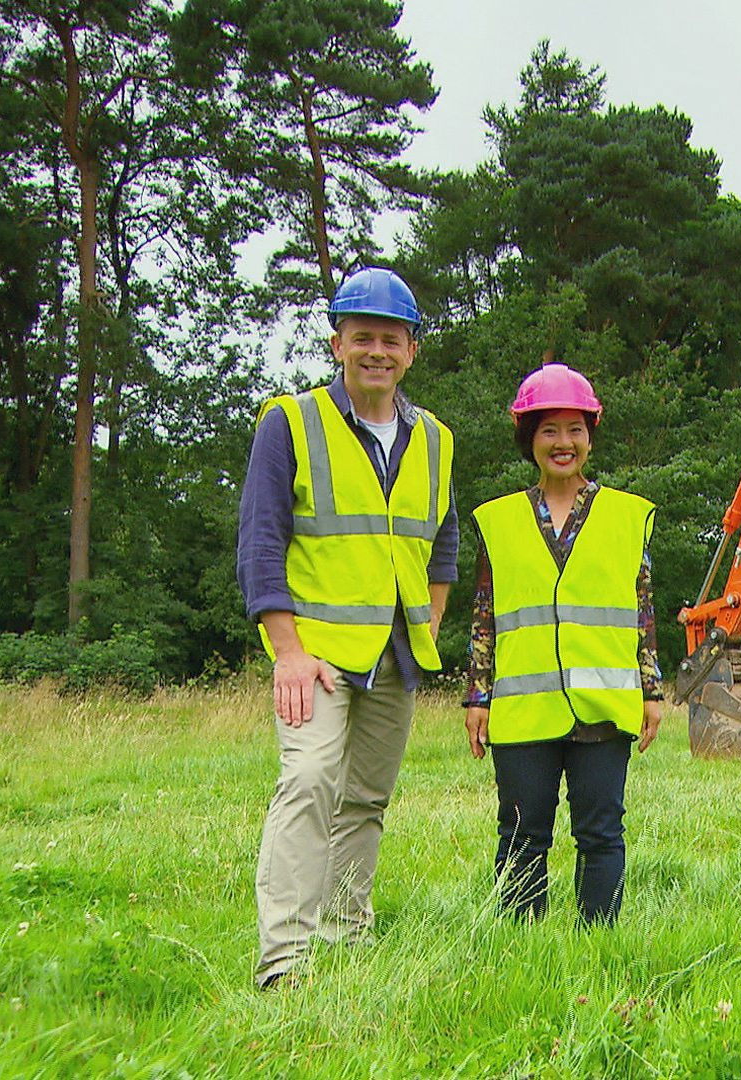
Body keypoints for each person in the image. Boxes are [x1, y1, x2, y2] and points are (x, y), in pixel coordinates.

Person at [235, 267, 458, 988]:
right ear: (338, 342)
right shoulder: (289, 421)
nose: (377, 352)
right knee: (307, 780)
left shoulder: (435, 438)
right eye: (362, 337)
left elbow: (443, 543)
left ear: (412, 351)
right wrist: (288, 652)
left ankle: (346, 938)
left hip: (397, 653)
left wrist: (426, 625)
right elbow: (261, 542)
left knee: (365, 800)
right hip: (319, 655)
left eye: (391, 340)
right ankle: (285, 963)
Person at [461, 362, 662, 925]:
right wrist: (477, 698)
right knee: (522, 833)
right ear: (531, 440)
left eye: (575, 429)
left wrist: (652, 691)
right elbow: (484, 617)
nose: (563, 443)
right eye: (549, 430)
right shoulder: (499, 521)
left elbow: (641, 610)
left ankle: (598, 941)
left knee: (601, 832)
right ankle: (524, 946)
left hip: (603, 705)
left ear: (590, 437)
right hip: (523, 711)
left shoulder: (626, 516)